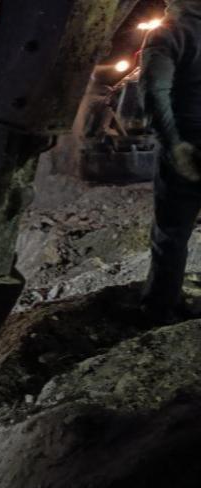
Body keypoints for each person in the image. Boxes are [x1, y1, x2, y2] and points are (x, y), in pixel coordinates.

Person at [141, 3, 201, 322]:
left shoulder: (169, 32)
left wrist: (174, 146)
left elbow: (153, 92)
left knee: (171, 233)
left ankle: (159, 308)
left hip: (190, 148)